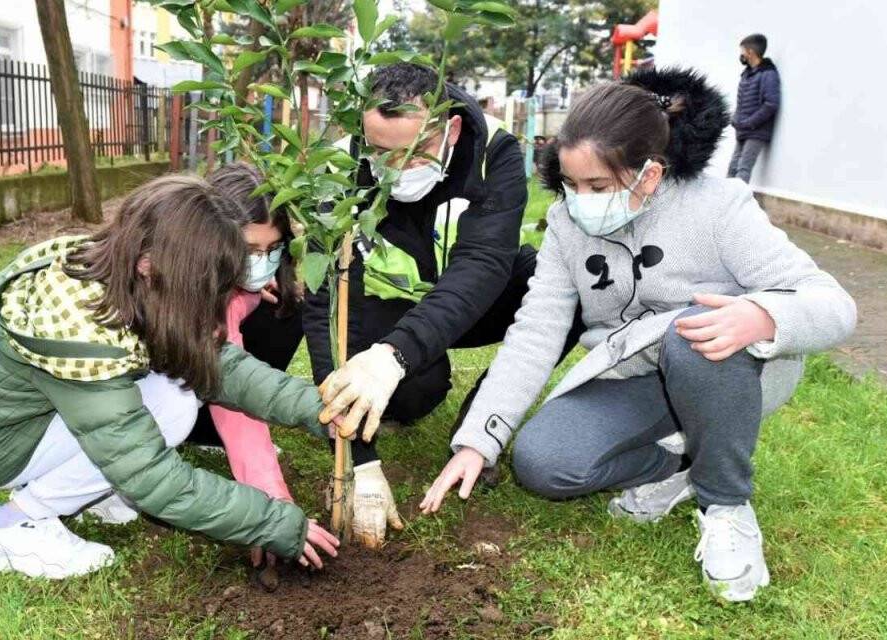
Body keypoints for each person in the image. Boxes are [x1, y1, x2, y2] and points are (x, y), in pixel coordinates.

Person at [420, 68, 856, 602]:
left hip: (724, 366)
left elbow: (833, 303)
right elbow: (537, 330)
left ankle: (724, 505)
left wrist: (763, 315)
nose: (579, 200)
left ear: (649, 174)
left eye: (597, 187)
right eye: (570, 184)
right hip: (631, 372)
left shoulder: (719, 206)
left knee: (688, 330)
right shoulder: (564, 223)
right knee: (544, 463)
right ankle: (683, 466)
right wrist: (478, 441)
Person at [0, 174, 339, 579]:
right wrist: (275, 523)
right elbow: (150, 477)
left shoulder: (133, 279)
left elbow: (221, 366)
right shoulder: (81, 331)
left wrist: (319, 411)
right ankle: (13, 526)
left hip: (35, 419)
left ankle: (92, 490)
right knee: (172, 410)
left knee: (173, 396)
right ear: (151, 263)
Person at [307, 62, 586, 547]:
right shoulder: (337, 168)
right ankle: (407, 387)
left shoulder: (492, 151)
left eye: (412, 155)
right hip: (391, 305)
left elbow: (483, 262)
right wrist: (360, 457)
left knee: (568, 297)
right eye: (379, 152)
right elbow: (324, 305)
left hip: (477, 298)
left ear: (450, 128)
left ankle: (477, 429)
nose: (394, 169)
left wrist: (394, 356)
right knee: (415, 394)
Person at [184, 162, 306, 569]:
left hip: (197, 381)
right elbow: (234, 394)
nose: (264, 261)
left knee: (286, 311)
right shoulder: (197, 294)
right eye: (250, 251)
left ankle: (202, 434)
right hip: (151, 393)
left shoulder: (245, 281)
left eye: (272, 249)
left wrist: (255, 289)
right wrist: (271, 503)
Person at [728, 33, 780, 183]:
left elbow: (771, 104)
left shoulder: (768, 74)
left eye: (742, 51)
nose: (741, 55)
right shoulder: (747, 74)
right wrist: (735, 119)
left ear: (750, 52)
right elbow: (742, 101)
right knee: (732, 168)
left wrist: (749, 123)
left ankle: (736, 205)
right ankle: (724, 202)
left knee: (743, 170)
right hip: (743, 130)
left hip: (756, 132)